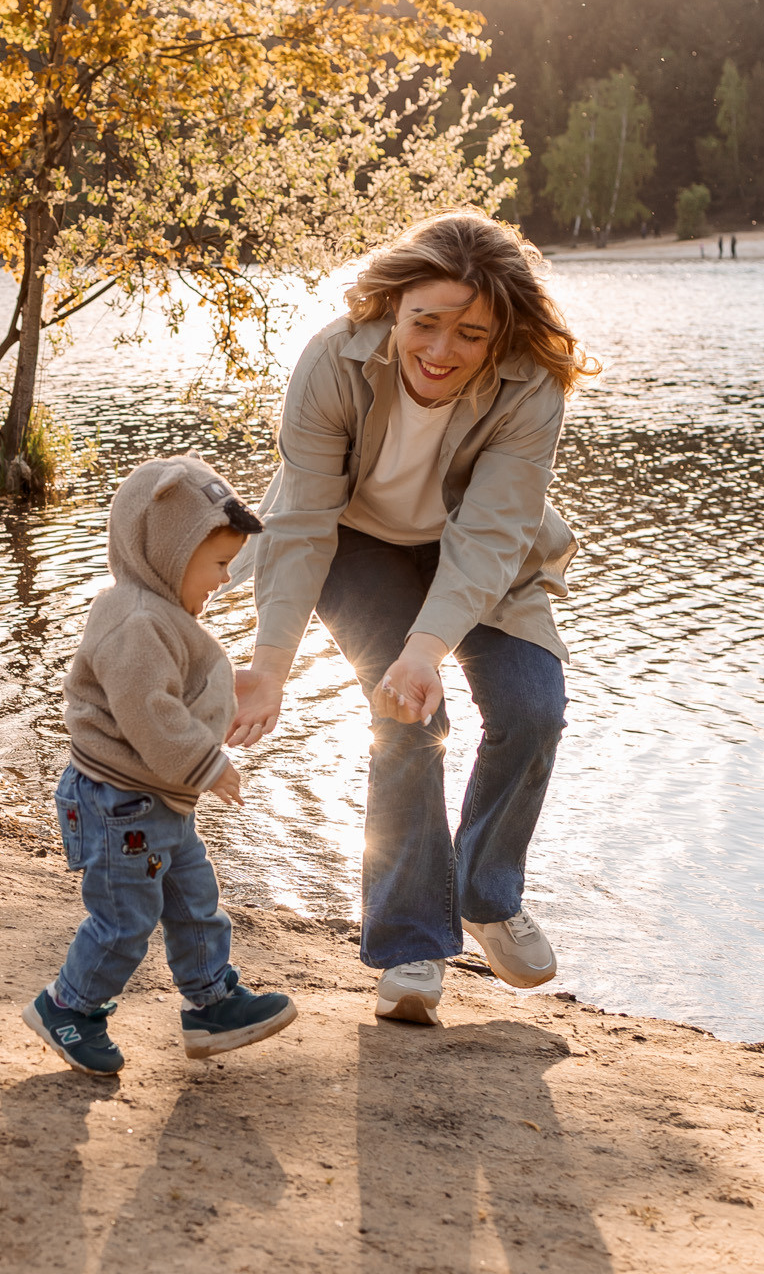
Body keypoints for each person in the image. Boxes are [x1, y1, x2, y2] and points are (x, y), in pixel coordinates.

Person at [225, 212, 596, 1026]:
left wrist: (430, 645)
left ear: (500, 334)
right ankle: (410, 946)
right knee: (406, 719)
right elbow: (302, 523)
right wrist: (271, 663)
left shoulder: (531, 381)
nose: (441, 350)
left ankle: (487, 895)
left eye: (471, 333)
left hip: (482, 555)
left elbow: (496, 530)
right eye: (425, 323)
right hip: (358, 546)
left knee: (534, 708)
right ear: (394, 308)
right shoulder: (333, 357)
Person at [24, 454, 299, 1077]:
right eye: (219, 563)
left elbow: (181, 690)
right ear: (168, 553)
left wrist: (220, 709)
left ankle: (212, 1003)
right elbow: (149, 713)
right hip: (121, 803)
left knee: (196, 900)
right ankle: (68, 1007)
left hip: (156, 802)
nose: (225, 579)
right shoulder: (134, 618)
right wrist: (206, 761)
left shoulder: (160, 613)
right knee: (125, 920)